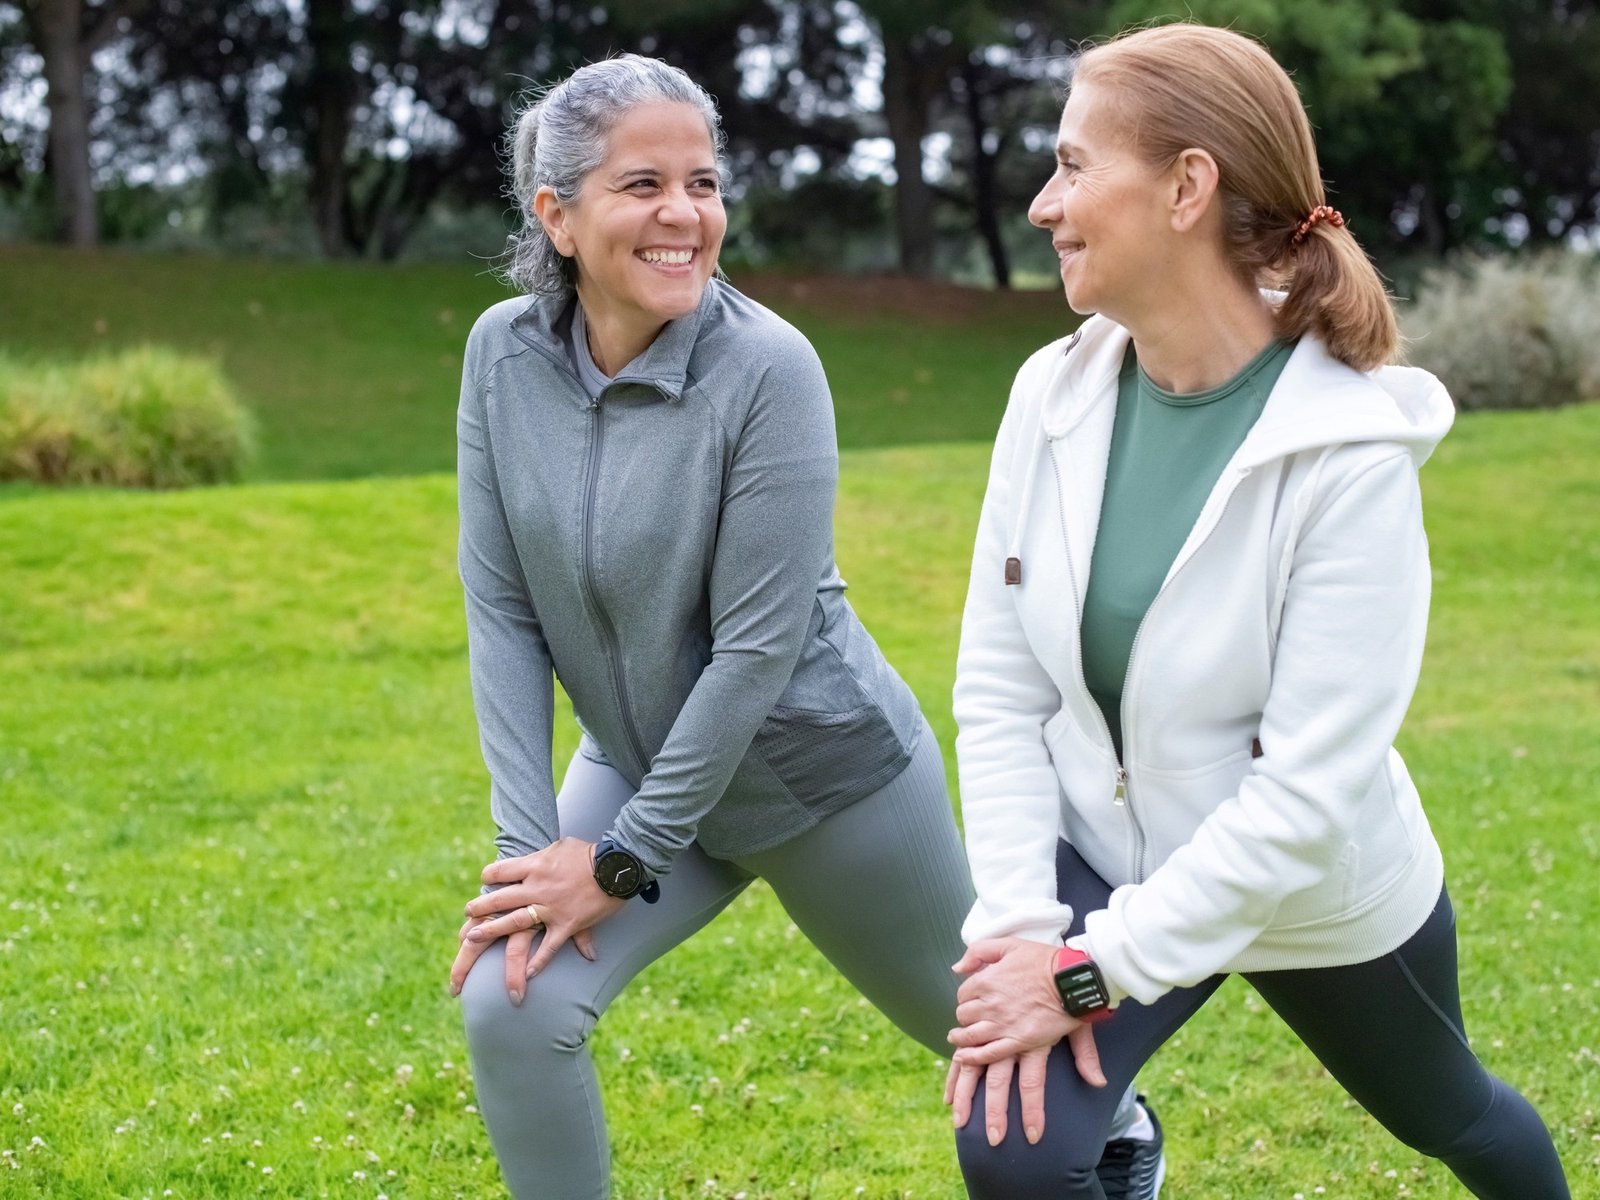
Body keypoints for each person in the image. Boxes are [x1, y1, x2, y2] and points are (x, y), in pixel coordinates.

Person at [445, 54, 1146, 1199]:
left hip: (828, 787)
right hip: (636, 767)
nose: (684, 214)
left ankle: (1123, 1127)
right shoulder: (500, 356)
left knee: (996, 1042)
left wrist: (618, 861)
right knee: (510, 998)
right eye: (642, 185)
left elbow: (756, 652)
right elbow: (503, 609)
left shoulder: (770, 369)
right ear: (555, 215)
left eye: (704, 183)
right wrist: (535, 858)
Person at [943, 22, 1572, 1200]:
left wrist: (1085, 975)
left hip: (1304, 893)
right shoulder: (1052, 393)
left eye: (1075, 165)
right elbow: (1000, 688)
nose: (1041, 202)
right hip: (1104, 857)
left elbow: (1303, 796)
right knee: (1015, 1153)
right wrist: (1027, 924)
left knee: (1462, 1120)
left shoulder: (1349, 452)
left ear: (1187, 186)